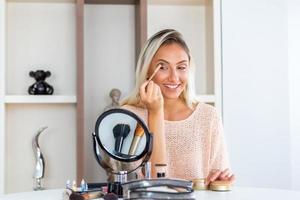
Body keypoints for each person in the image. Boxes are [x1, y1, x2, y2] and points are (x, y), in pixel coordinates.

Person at [121, 29, 234, 185]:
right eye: (162, 67)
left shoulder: (208, 116)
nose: (174, 78)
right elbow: (155, 184)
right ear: (147, 70)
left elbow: (220, 181)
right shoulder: (128, 118)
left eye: (181, 67)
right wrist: (155, 112)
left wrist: (220, 180)